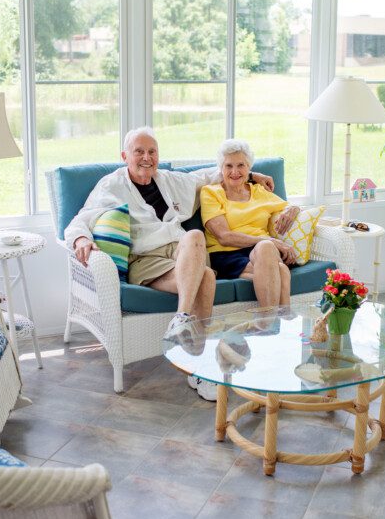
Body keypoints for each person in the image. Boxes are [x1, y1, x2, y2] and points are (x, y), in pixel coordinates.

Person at [64, 127, 274, 400]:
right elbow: (81, 219)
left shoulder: (169, 180)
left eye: (152, 152)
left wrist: (253, 175)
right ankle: (197, 365)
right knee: (207, 278)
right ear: (124, 155)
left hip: (182, 253)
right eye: (139, 151)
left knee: (194, 236)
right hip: (147, 258)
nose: (146, 158)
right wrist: (80, 239)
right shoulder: (111, 185)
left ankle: (184, 330)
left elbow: (207, 175)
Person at [200, 139, 299, 308]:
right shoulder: (211, 192)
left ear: (249, 168)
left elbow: (287, 206)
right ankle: (274, 324)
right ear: (221, 169)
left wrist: (294, 208)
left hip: (262, 252)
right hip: (226, 253)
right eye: (229, 166)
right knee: (280, 269)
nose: (235, 172)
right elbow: (224, 237)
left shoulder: (259, 191)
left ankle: (267, 325)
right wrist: (267, 241)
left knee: (266, 249)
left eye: (241, 165)